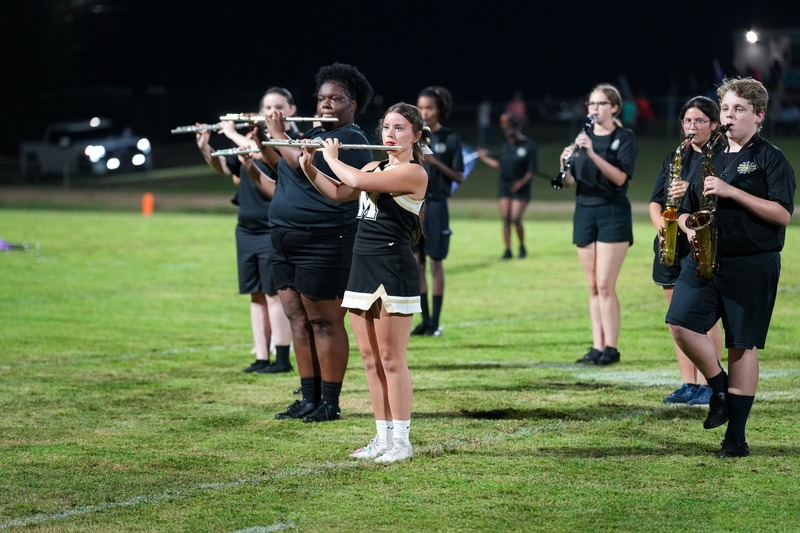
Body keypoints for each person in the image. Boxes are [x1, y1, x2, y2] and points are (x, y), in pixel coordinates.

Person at [666, 77, 795, 458]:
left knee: (742, 345)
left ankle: (735, 437)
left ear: (759, 115)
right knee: (680, 322)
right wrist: (689, 228)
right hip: (706, 260)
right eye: (725, 109)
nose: (729, 116)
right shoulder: (708, 155)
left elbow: (783, 214)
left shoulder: (772, 158)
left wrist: (732, 190)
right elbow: (688, 208)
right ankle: (718, 386)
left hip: (752, 265)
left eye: (739, 109)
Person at [299, 102, 428, 463]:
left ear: (415, 135)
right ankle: (382, 437)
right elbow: (340, 192)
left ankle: (402, 441)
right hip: (362, 268)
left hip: (393, 269)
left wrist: (331, 155)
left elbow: (354, 180)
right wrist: (310, 166)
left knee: (391, 359)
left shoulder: (415, 173)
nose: (390, 134)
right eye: (386, 127)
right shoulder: (374, 164)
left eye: (400, 128)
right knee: (370, 360)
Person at [258, 63, 374, 423]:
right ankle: (308, 397)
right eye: (322, 98)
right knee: (297, 319)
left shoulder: (351, 139)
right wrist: (263, 139)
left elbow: (303, 164)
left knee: (325, 322)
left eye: (335, 98)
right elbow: (281, 164)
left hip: (324, 241)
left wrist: (281, 134)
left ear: (352, 103)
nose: (326, 104)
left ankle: (330, 402)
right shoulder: (311, 132)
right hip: (284, 238)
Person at [194, 87, 295, 374]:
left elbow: (264, 157)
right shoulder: (250, 138)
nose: (271, 111)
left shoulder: (282, 141)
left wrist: (230, 133)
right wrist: (205, 146)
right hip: (246, 229)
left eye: (278, 106)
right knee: (255, 294)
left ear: (291, 110)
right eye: (267, 106)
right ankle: (261, 357)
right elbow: (227, 170)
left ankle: (282, 359)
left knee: (274, 294)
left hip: (270, 228)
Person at [648, 96, 724, 405]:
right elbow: (654, 200)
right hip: (672, 243)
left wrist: (689, 190)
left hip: (701, 244)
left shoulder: (719, 157)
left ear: (714, 125)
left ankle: (711, 383)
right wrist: (661, 226)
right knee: (676, 319)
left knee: (705, 319)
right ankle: (688, 384)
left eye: (699, 121)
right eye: (687, 121)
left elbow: (717, 200)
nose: (691, 127)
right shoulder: (674, 158)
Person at [559, 83, 637, 366]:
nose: (595, 109)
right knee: (592, 285)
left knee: (605, 284)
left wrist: (591, 153)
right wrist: (565, 164)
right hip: (584, 212)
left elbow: (619, 178)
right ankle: (597, 345)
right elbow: (570, 183)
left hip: (612, 212)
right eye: (591, 104)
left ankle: (612, 348)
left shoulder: (624, 138)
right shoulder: (582, 138)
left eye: (601, 104)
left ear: (614, 107)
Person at [411, 86, 464, 337]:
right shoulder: (413, 137)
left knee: (436, 263)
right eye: (420, 107)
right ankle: (425, 320)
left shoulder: (450, 138)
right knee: (417, 262)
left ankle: (436, 322)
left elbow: (459, 176)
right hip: (414, 204)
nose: (424, 112)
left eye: (429, 107)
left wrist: (435, 162)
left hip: (437, 205)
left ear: (439, 110)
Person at [477, 112, 537, 259]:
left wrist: (521, 183)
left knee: (516, 218)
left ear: (517, 128)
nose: (507, 133)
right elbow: (500, 164)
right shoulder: (505, 145)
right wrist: (484, 158)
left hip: (521, 188)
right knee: (506, 219)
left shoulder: (528, 146)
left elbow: (531, 171)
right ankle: (508, 250)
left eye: (510, 129)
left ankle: (522, 246)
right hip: (505, 185)